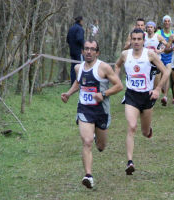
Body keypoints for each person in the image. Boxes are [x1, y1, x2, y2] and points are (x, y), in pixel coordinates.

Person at [61, 39, 123, 189]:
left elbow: (119, 86)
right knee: (87, 142)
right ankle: (88, 175)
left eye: (92, 49)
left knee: (101, 147)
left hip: (101, 111)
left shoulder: (104, 68)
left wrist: (104, 93)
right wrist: (69, 93)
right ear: (82, 51)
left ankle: (97, 137)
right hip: (85, 110)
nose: (89, 51)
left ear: (97, 52)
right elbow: (78, 82)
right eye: (86, 49)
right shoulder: (78, 68)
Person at [115, 28, 170, 175]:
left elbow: (165, 72)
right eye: (134, 39)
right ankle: (130, 162)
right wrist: (116, 81)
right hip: (131, 96)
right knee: (132, 126)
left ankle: (148, 130)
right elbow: (117, 65)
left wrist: (158, 89)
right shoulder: (125, 54)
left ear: (143, 41)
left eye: (139, 39)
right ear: (130, 40)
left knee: (145, 132)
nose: (136, 42)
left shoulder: (150, 54)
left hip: (147, 97)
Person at [156, 15, 174, 106]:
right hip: (159, 58)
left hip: (169, 58)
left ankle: (165, 96)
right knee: (158, 76)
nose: (167, 23)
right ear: (163, 23)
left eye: (168, 21)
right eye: (165, 21)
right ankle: (157, 91)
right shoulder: (159, 32)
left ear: (170, 23)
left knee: (167, 75)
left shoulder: (173, 33)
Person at [144, 21, 168, 88]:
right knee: (147, 82)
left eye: (151, 27)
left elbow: (168, 46)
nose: (149, 29)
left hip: (156, 62)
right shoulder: (144, 36)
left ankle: (156, 94)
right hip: (146, 62)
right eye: (148, 27)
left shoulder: (158, 37)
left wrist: (160, 51)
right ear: (146, 28)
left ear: (154, 28)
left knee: (156, 84)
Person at [67, 16, 85, 85]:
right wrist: (84, 46)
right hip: (79, 52)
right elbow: (79, 39)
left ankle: (73, 83)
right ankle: (82, 83)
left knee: (73, 68)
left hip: (72, 51)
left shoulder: (71, 28)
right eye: (82, 21)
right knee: (82, 66)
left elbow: (67, 40)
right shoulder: (80, 29)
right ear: (80, 21)